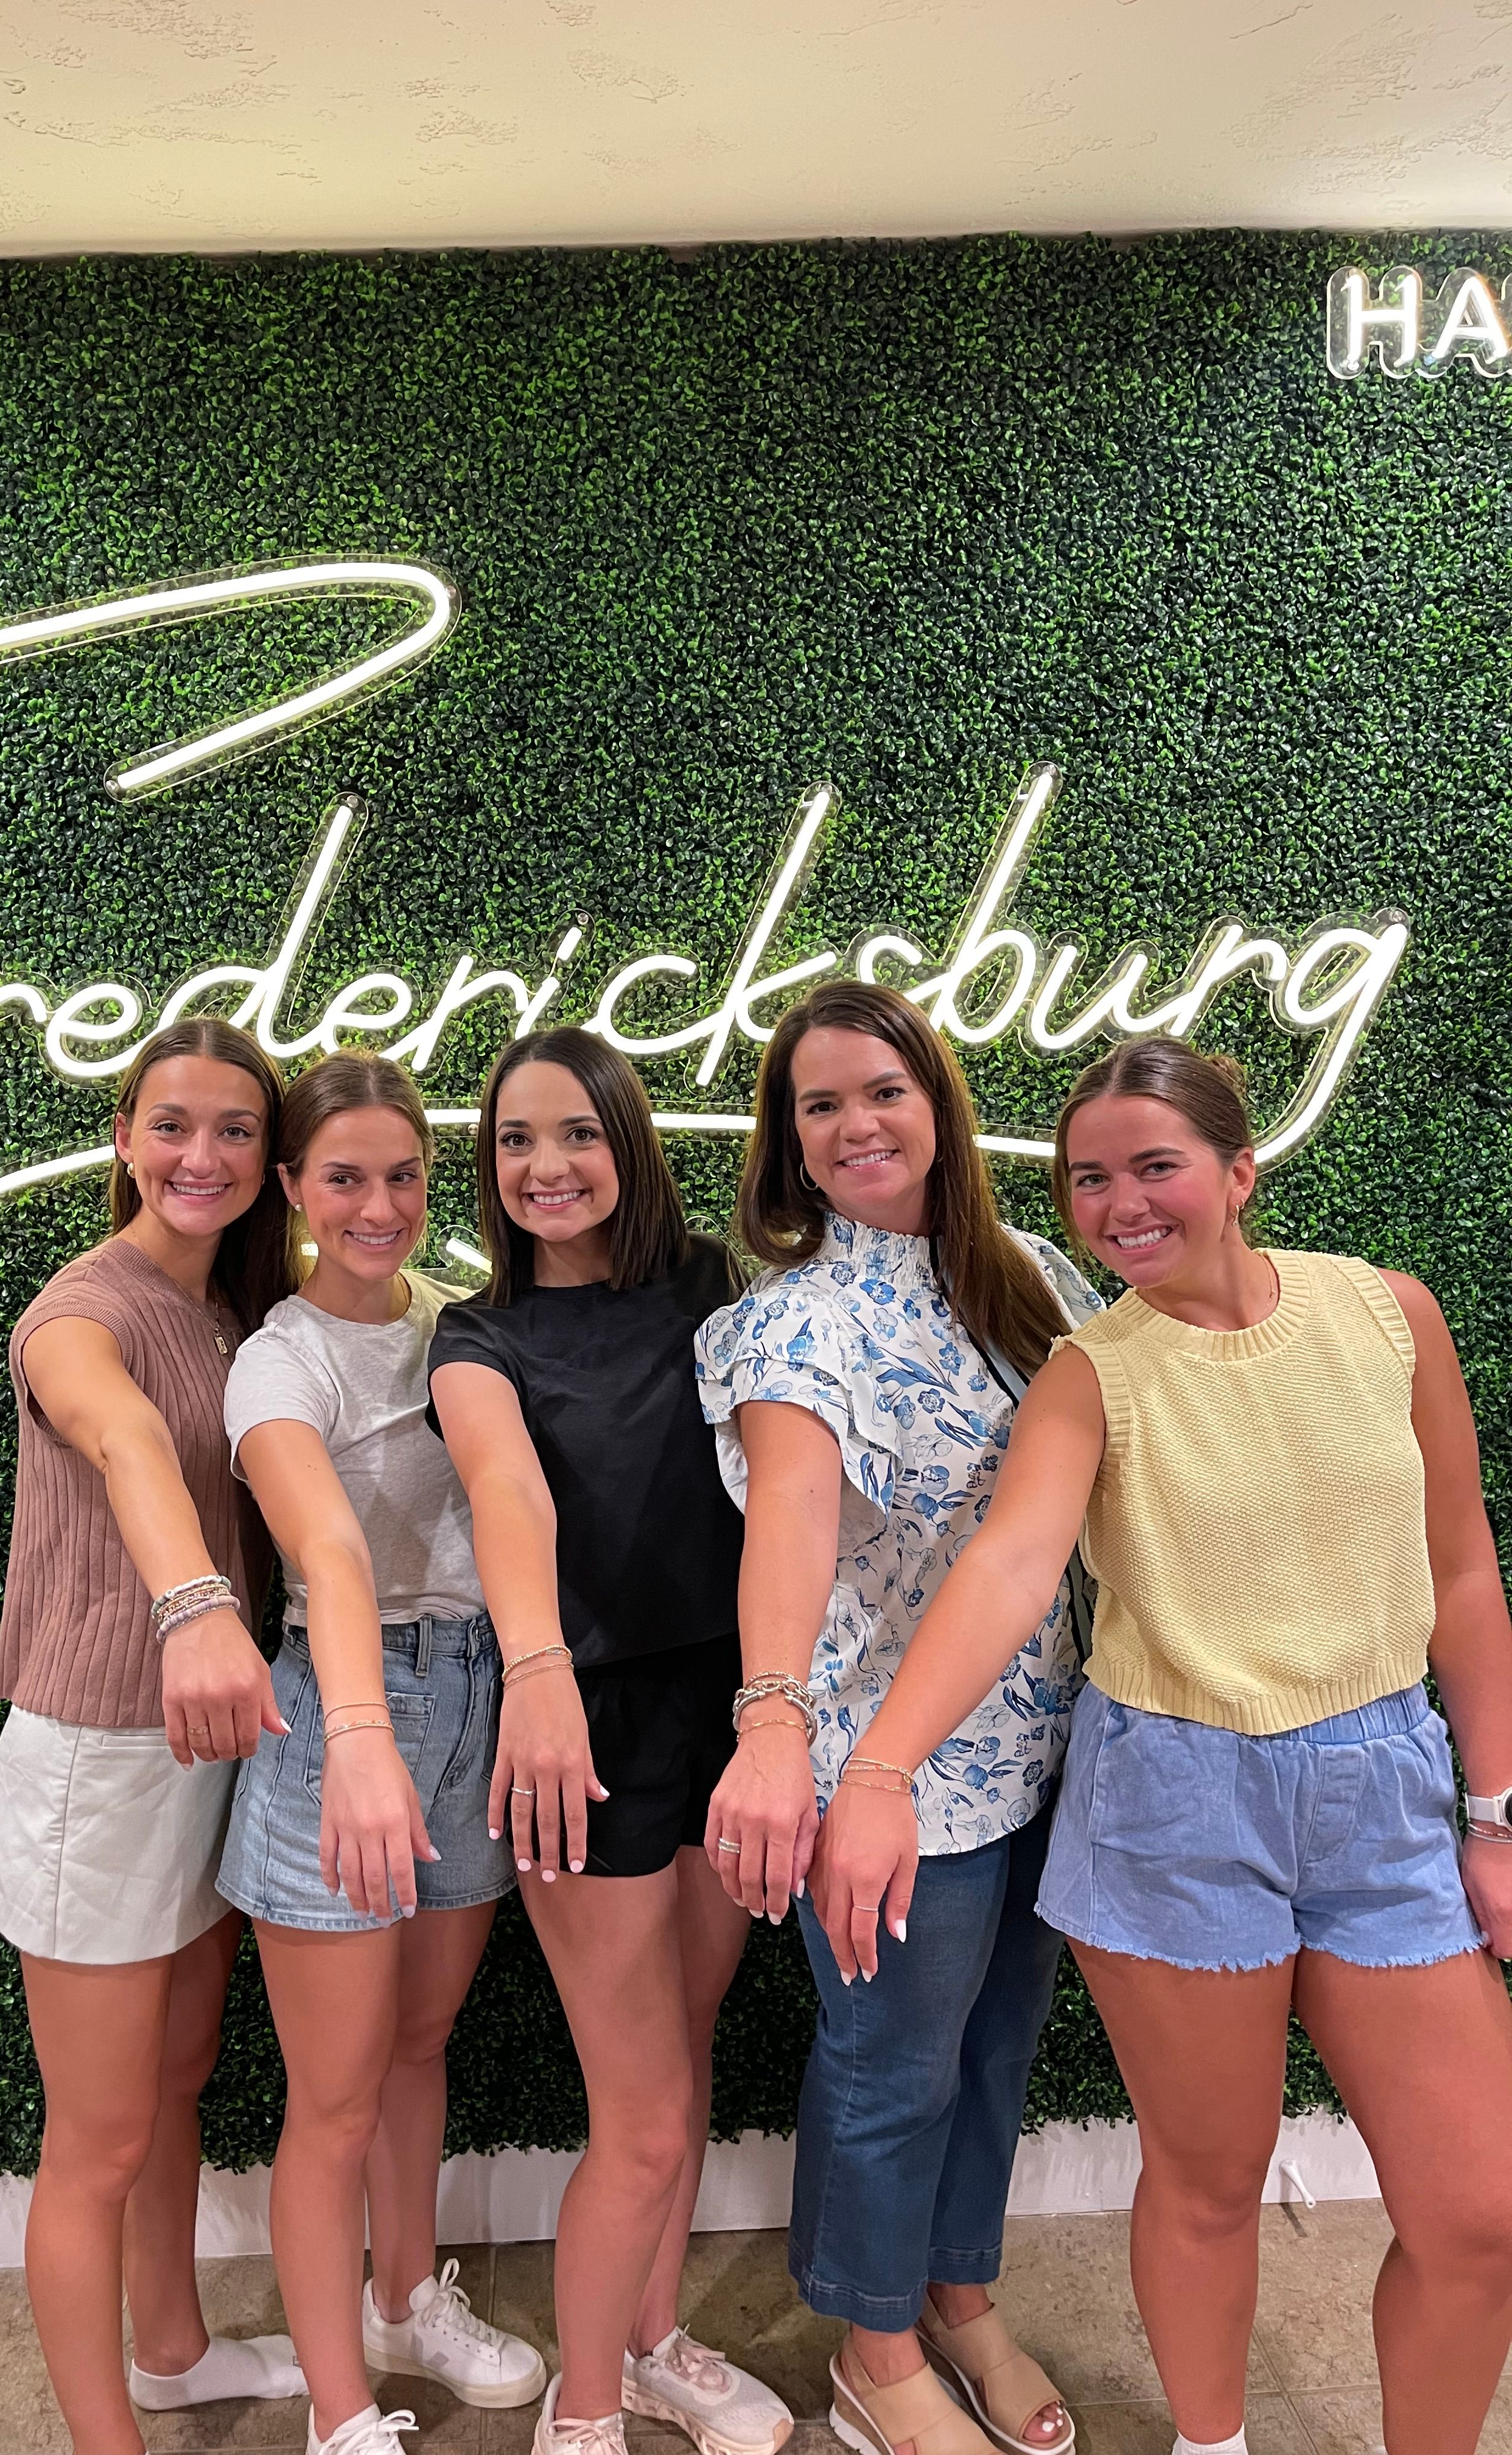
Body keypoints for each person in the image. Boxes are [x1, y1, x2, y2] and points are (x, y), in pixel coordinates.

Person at [814, 1035, 1512, 2455]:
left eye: (1156, 1167)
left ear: (1240, 1171)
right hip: (1175, 1799)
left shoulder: (1389, 1316)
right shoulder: (1090, 1372)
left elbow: (1460, 1571)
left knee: (1480, 2214)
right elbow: (1009, 1574)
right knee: (1206, 2177)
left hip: (1383, 1792)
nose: (1122, 1203)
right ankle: (1215, 2445)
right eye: (1088, 1180)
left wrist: (1494, 1808)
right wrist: (881, 1769)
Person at [693, 980, 1090, 2455]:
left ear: (938, 1105)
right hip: (889, 1778)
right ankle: (873, 2347)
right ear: (789, 1145)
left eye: (882, 1090)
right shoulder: (787, 1325)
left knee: (997, 2051)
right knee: (890, 2071)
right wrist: (776, 1727)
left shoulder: (1039, 1276)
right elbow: (788, 1517)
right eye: (820, 1104)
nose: (857, 1123)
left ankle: (957, 2293)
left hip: (1049, 1745)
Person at [427, 1025, 793, 2455]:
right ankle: (582, 2417)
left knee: (683, 2064)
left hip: (732, 1704)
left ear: (627, 1142)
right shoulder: (475, 1335)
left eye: (574, 1133)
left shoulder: (712, 1282)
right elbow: (503, 1490)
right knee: (638, 2112)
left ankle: (650, 2342)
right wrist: (536, 1667)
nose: (545, 1166)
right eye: (516, 1141)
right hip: (580, 1729)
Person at [0, 1016, 306, 2455]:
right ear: (123, 1138)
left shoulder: (232, 1311)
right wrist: (194, 1603)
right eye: (174, 1124)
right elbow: (118, 1439)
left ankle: (170, 2347)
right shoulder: (79, 1310)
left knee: (175, 2081)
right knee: (97, 2137)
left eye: (235, 1130)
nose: (202, 1155)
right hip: (99, 1758)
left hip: (211, 1740)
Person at [215, 1050, 546, 2455]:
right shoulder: (276, 1358)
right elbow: (330, 1552)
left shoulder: (460, 1326)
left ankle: (406, 2297)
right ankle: (338, 2410)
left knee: (419, 2044)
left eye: (403, 1175)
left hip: (475, 1694)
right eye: (344, 1176)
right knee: (334, 2093)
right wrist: (359, 1741)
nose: (378, 1204)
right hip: (342, 1716)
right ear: (291, 1187)